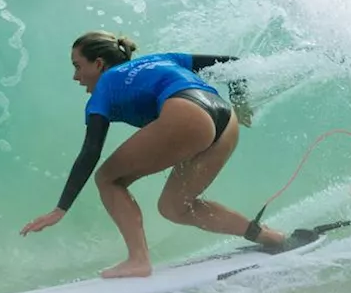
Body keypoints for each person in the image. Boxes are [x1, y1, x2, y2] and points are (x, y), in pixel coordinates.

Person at [19, 30, 293, 278]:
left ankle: (138, 260)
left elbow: (91, 151)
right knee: (174, 207)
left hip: (187, 114)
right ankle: (270, 237)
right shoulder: (161, 58)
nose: (76, 77)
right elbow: (232, 63)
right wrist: (241, 103)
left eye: (78, 66)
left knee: (108, 179)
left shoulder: (103, 89)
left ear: (99, 64)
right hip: (225, 119)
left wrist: (60, 209)